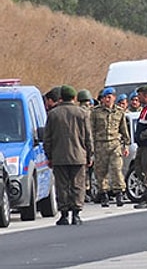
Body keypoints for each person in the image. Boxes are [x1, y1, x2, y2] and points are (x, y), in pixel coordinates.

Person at [43, 85, 93, 225]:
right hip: (79, 156)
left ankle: (64, 215)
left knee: (62, 186)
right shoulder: (82, 113)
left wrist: (49, 156)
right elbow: (88, 137)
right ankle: (76, 214)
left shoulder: (53, 114)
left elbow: (47, 138)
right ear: (74, 98)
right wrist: (90, 155)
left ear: (60, 98)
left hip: (59, 157)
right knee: (78, 185)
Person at [90, 86, 130, 207]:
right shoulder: (95, 112)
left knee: (117, 169)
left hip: (115, 144)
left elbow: (123, 130)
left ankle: (119, 194)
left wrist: (126, 145)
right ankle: (104, 194)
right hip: (100, 144)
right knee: (101, 172)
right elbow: (91, 130)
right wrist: (91, 147)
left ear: (114, 98)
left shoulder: (119, 112)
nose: (107, 100)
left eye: (109, 97)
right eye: (105, 98)